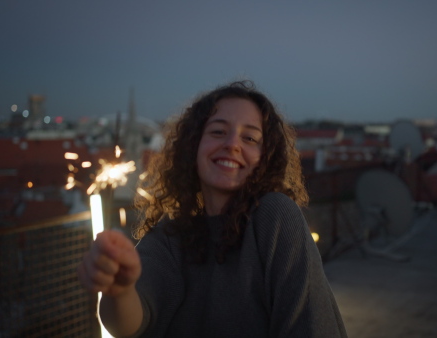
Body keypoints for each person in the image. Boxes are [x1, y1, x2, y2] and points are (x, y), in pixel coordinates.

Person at [77, 80, 347, 337]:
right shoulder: (169, 237)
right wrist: (119, 290)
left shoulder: (275, 215)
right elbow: (129, 324)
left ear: (265, 158)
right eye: (218, 131)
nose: (232, 144)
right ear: (194, 145)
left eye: (250, 138)